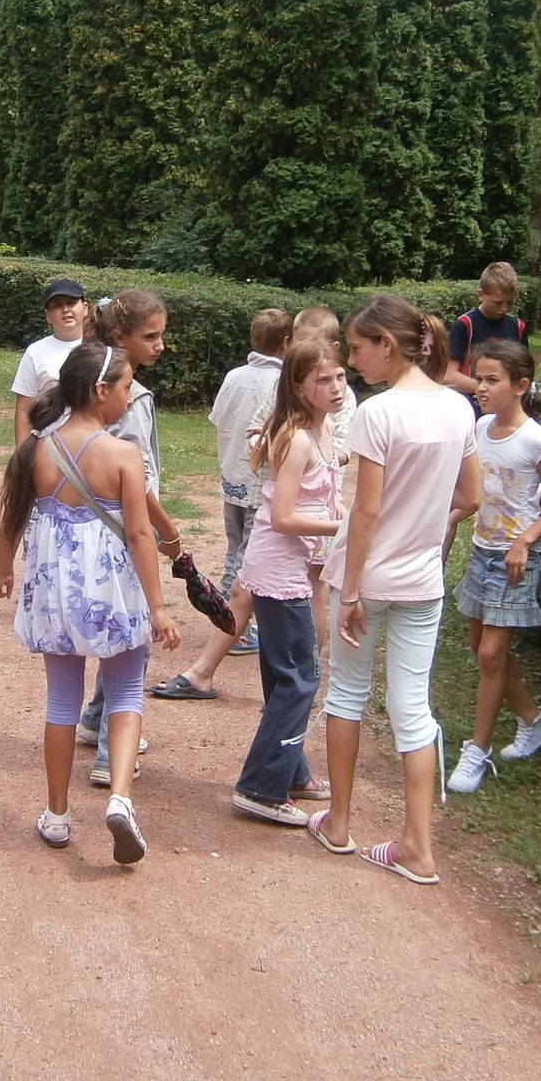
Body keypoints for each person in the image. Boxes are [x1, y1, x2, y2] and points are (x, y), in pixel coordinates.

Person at [310, 295, 480, 886]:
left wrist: (350, 591)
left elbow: (366, 511)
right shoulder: (458, 407)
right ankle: (418, 846)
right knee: (413, 707)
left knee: (347, 694)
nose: (352, 360)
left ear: (387, 345)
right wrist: (428, 524)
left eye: (357, 348)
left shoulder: (378, 413)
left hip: (369, 578)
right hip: (423, 581)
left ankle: (339, 824)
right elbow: (471, 496)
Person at [0, 342, 181, 864]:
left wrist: (4, 568)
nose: (129, 398)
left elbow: (12, 515)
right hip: (113, 591)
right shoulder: (122, 454)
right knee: (126, 694)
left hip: (55, 592)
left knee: (61, 702)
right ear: (100, 390)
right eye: (125, 388)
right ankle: (120, 799)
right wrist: (158, 607)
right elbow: (139, 535)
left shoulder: (35, 449)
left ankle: (56, 814)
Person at [152, 306, 350, 701]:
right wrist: (273, 441)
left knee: (311, 595)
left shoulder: (339, 402)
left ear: (333, 348)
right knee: (246, 592)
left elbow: (340, 451)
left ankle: (300, 684)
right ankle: (214, 675)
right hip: (278, 510)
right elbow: (261, 431)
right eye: (299, 345)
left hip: (312, 517)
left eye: (334, 372)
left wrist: (293, 452)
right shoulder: (286, 392)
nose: (304, 356)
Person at [446, 339, 541, 793]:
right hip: (482, 552)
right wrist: (452, 518)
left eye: (492, 380)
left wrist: (525, 540)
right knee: (482, 648)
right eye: (478, 378)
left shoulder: (537, 440)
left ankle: (477, 751)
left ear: (520, 386)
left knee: (490, 655)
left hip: (515, 560)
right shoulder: (482, 427)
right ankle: (534, 721)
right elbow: (476, 492)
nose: (480, 388)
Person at [229, 337, 346, 826]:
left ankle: (292, 772)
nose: (336, 387)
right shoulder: (297, 439)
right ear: (298, 387)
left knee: (285, 675)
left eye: (340, 376)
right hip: (279, 572)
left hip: (288, 568)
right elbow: (282, 517)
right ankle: (260, 786)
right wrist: (344, 526)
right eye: (323, 380)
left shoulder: (322, 429)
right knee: (301, 677)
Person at [75, 289, 186, 787]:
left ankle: (95, 717)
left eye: (162, 335)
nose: (160, 345)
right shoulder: (130, 397)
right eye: (151, 336)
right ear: (120, 338)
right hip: (126, 528)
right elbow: (136, 481)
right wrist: (167, 531)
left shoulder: (100, 385)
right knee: (132, 633)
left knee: (120, 628)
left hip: (104, 526)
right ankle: (110, 752)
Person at [209, 308, 293, 643]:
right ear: (287, 342)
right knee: (248, 556)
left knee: (235, 549)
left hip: (231, 476)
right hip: (260, 483)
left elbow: (218, 418)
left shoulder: (234, 376)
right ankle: (233, 629)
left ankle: (229, 620)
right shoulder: (282, 382)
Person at [442, 263, 531, 413]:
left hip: (508, 409)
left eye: (509, 302)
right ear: (481, 294)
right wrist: (490, 389)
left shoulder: (518, 326)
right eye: (498, 302)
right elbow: (448, 376)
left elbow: (525, 372)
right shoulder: (465, 325)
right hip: (472, 407)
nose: (504, 309)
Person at [12, 277, 89, 444]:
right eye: (57, 305)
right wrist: (22, 453)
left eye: (71, 303)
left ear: (85, 308)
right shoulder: (35, 352)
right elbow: (24, 410)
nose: (66, 310)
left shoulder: (101, 348)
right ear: (48, 316)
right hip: (47, 444)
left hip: (93, 445)